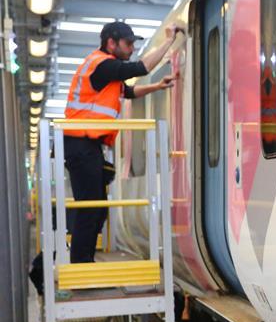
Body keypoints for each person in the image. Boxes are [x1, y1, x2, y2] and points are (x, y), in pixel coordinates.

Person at [29, 21, 184, 294]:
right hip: (81, 144)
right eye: (128, 44)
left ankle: (68, 267)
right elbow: (141, 68)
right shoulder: (103, 64)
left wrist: (159, 86)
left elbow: (129, 92)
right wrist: (169, 42)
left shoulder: (105, 72)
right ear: (111, 43)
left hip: (86, 146)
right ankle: (78, 270)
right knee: (90, 208)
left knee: (95, 208)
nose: (132, 49)